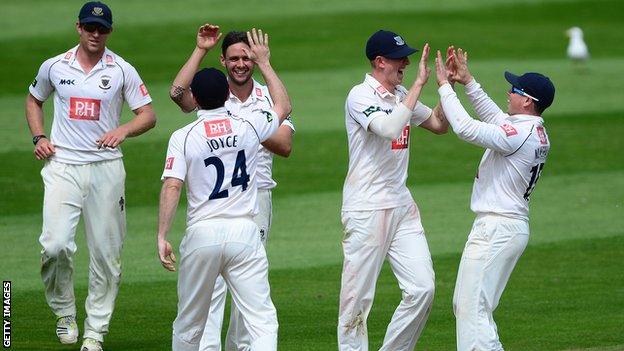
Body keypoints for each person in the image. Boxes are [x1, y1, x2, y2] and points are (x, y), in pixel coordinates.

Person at [25, 2, 156, 350]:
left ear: (109, 31)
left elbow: (147, 114)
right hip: (63, 165)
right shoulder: (55, 66)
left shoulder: (122, 70)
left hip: (106, 168)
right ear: (78, 28)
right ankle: (65, 312)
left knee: (106, 255)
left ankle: (95, 333)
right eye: (89, 27)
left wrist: (124, 130)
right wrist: (39, 137)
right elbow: (34, 99)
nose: (95, 34)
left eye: (102, 29)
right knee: (54, 245)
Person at [157, 27, 291, 351]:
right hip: (243, 225)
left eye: (247, 57)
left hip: (205, 229)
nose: (242, 63)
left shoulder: (185, 135)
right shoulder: (249, 125)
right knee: (262, 319)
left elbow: (173, 185)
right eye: (235, 58)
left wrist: (162, 235)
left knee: (189, 321)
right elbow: (284, 107)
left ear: (198, 98)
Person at [433, 47, 554, 350]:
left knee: (472, 309)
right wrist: (468, 81)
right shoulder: (531, 130)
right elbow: (495, 116)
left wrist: (446, 88)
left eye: (514, 90)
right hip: (505, 226)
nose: (508, 92)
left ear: (527, 100)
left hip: (497, 228)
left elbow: (464, 128)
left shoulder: (518, 135)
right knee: (469, 306)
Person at [338, 30, 449, 351]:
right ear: (379, 61)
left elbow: (440, 125)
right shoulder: (359, 96)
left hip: (402, 206)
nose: (407, 63)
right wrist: (415, 88)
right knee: (356, 299)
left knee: (423, 289)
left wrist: (447, 86)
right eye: (399, 58)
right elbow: (388, 129)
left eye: (407, 57)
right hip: (365, 208)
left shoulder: (401, 94)